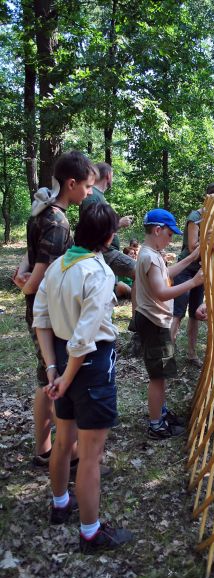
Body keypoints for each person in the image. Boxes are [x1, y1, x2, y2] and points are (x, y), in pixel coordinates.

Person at [33, 203, 133, 553]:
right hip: (88, 366)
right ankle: (90, 532)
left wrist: (53, 370)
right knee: (90, 454)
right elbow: (86, 336)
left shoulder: (57, 266)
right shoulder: (99, 272)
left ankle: (60, 504)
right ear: (108, 238)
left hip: (62, 361)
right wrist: (66, 375)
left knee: (64, 440)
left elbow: (41, 320)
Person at [13, 151, 97, 468]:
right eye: (87, 186)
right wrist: (26, 285)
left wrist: (23, 278)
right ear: (71, 184)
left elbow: (29, 256)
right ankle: (58, 451)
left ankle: (45, 447)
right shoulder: (58, 223)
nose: (89, 192)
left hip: (40, 309)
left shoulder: (42, 213)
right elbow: (38, 277)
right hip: (47, 315)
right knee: (53, 379)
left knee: (43, 378)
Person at [135, 208, 204, 439]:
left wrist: (193, 257)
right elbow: (163, 292)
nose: (172, 238)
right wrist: (193, 282)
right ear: (157, 230)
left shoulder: (152, 254)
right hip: (154, 322)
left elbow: (167, 274)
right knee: (158, 377)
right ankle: (156, 425)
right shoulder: (149, 257)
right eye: (169, 234)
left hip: (154, 321)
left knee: (161, 374)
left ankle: (161, 413)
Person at [171, 182, 214, 367]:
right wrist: (213, 241)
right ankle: (168, 354)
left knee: (196, 313)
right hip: (186, 270)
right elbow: (192, 246)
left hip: (203, 271)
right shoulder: (196, 217)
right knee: (178, 312)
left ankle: (191, 353)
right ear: (211, 197)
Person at [79, 162, 136, 281]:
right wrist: (119, 223)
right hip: (103, 251)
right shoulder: (93, 196)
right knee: (141, 271)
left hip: (106, 250)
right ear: (108, 175)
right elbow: (93, 228)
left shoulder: (97, 195)